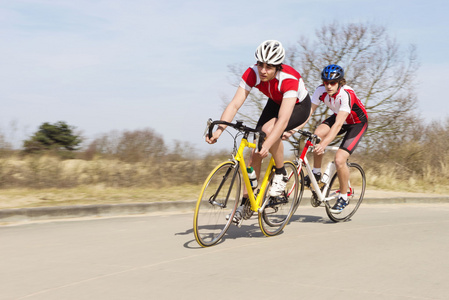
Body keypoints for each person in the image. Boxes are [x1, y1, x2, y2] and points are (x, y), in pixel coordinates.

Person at [206, 40, 311, 223]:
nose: (263, 70)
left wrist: (269, 143)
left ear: (277, 67)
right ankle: (247, 203)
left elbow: (284, 120)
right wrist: (219, 131)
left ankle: (280, 174)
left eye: (269, 67)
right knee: (255, 152)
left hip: (298, 106)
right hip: (275, 101)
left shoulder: (288, 79)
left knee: (268, 132)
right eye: (260, 64)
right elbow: (235, 104)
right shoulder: (252, 73)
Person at [306, 64, 368, 213]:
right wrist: (293, 127)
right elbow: (308, 112)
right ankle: (316, 172)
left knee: (340, 159)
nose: (328, 86)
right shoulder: (320, 90)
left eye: (332, 83)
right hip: (338, 118)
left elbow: (339, 124)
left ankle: (344, 196)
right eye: (326, 82)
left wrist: (325, 144)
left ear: (340, 82)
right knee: (316, 135)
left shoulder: (346, 94)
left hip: (356, 124)